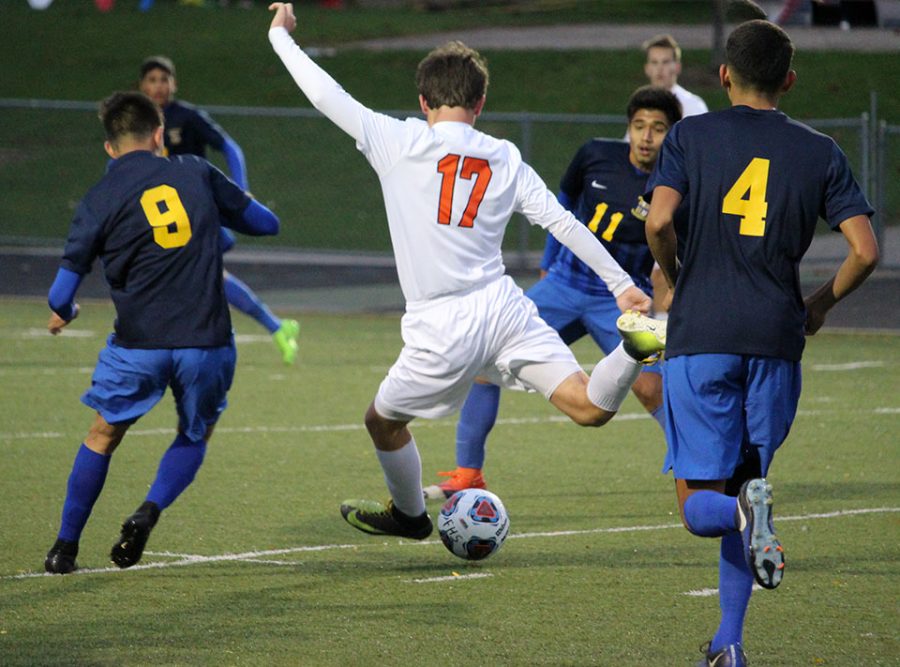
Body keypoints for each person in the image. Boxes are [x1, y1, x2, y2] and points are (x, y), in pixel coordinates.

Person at [267, 2, 666, 540]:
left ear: (423, 101)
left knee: (381, 421)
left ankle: (410, 515)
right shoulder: (503, 154)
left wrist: (280, 37)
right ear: (480, 103)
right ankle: (631, 348)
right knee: (588, 406)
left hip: (441, 323)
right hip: (503, 308)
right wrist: (622, 286)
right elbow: (562, 222)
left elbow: (324, 94)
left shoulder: (398, 140)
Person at [644, 20, 878, 666]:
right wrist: (820, 304)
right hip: (777, 336)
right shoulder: (821, 150)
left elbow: (660, 219)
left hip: (704, 333)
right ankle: (729, 643)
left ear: (723, 75)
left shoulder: (690, 135)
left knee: (701, 506)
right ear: (790, 80)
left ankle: (746, 525)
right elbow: (865, 250)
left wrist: (674, 273)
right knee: (750, 485)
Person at [43, 91, 281, 574]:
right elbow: (266, 224)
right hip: (206, 341)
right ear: (158, 135)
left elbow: (59, 292)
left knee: (103, 435)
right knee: (194, 433)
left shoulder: (97, 199)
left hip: (138, 344)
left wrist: (65, 310)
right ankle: (148, 510)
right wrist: (231, 201)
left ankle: (64, 549)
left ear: (109, 148)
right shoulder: (194, 169)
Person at [423, 86, 683, 500]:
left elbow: (673, 240)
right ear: (628, 129)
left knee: (650, 386)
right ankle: (468, 474)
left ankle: (697, 467)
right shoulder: (595, 154)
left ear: (671, 134)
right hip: (563, 284)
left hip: (614, 302)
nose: (646, 136)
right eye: (639, 126)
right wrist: (548, 262)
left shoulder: (673, 184)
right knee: (484, 363)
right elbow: (560, 208)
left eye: (657, 128)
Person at [139, 55, 300, 366]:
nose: (158, 86)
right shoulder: (138, 122)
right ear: (142, 85)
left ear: (174, 84)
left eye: (164, 79)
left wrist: (240, 188)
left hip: (194, 214)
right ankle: (276, 327)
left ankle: (262, 330)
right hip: (162, 217)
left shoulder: (187, 117)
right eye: (152, 80)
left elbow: (230, 147)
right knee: (204, 278)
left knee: (194, 277)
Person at [639, 33, 708, 319]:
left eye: (666, 62)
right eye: (654, 62)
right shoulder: (643, 105)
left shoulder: (693, 107)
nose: (660, 69)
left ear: (677, 67)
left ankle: (666, 342)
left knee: (664, 274)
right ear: (647, 68)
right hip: (646, 202)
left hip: (679, 204)